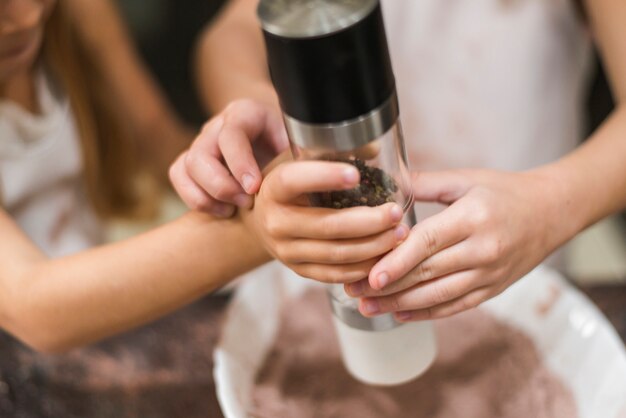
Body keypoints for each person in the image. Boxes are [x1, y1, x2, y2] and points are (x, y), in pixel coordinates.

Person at [171, 0, 626, 322]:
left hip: (512, 259)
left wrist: (548, 208)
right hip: (322, 275)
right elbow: (230, 36)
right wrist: (258, 104)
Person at [0, 0, 284, 354]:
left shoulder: (77, 12)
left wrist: (230, 167)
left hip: (110, 297)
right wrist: (259, 228)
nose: (26, 15)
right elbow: (32, 306)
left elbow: (157, 140)